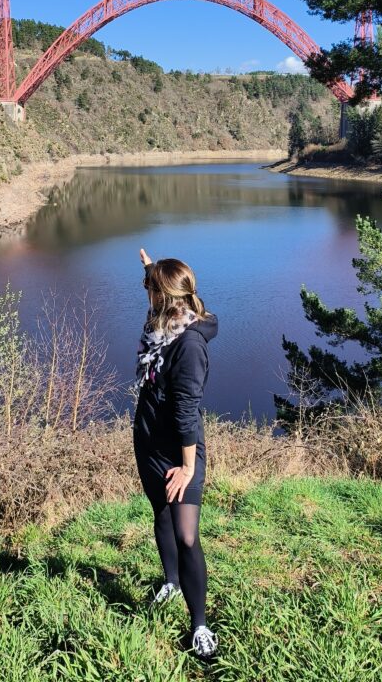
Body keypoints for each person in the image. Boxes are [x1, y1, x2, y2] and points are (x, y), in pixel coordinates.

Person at [133, 247, 219, 660]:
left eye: (151, 287)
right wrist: (151, 268)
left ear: (165, 297)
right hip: (148, 439)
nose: (147, 293)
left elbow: (186, 409)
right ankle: (171, 582)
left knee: (186, 535)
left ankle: (199, 624)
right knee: (162, 515)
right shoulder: (162, 322)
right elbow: (159, 286)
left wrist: (187, 467)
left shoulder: (188, 345)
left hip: (181, 448)